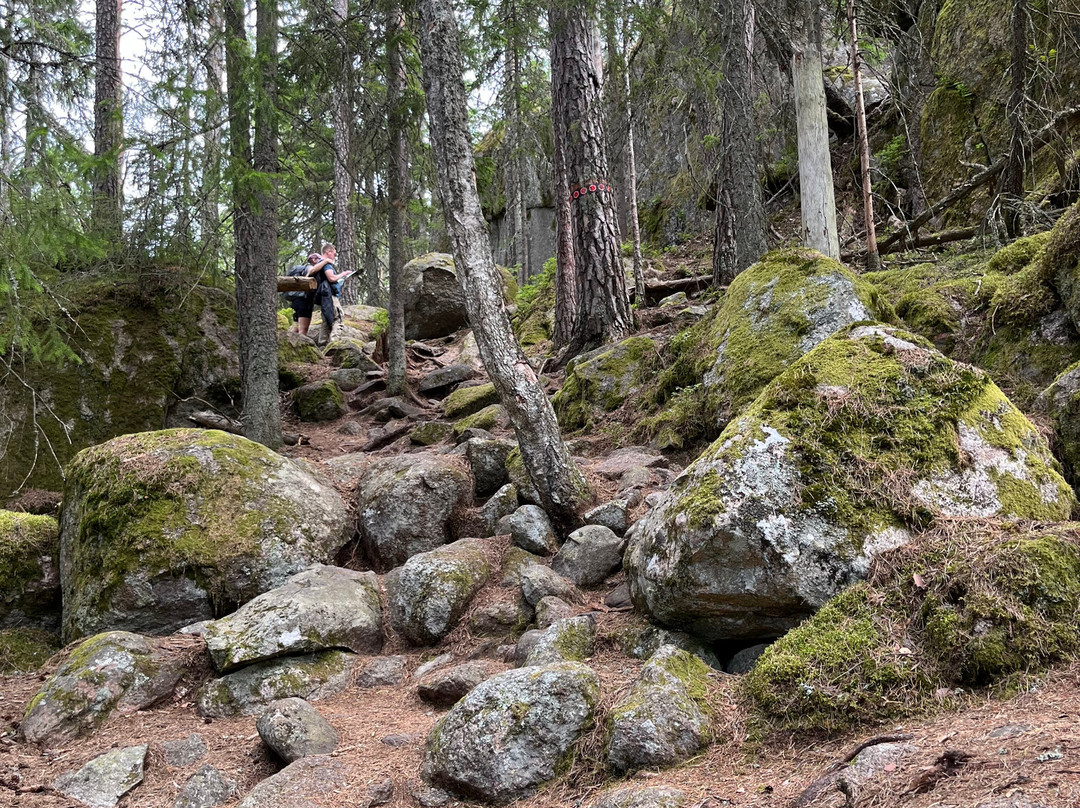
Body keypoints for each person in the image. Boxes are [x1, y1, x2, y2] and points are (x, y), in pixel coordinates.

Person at [313, 242, 345, 344]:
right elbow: (331, 278)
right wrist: (344, 274)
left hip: (323, 296)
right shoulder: (326, 264)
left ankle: (322, 345)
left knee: (326, 320)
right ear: (328, 252)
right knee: (338, 318)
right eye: (334, 254)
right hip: (330, 295)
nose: (334, 257)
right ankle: (334, 343)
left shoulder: (318, 264)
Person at [289, 252, 324, 336]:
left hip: (295, 301)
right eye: (320, 260)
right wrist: (326, 261)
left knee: (295, 327)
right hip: (305, 302)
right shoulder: (309, 268)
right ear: (314, 260)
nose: (321, 262)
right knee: (303, 330)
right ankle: (299, 347)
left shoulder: (299, 269)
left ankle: (288, 345)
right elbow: (312, 271)